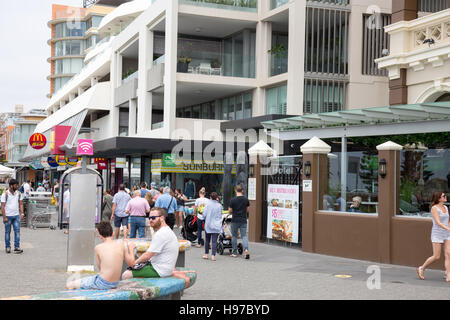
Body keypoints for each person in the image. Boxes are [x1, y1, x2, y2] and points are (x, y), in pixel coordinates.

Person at [66, 221, 135, 290]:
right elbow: (132, 264)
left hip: (102, 282)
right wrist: (131, 249)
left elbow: (100, 268)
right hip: (115, 282)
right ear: (113, 234)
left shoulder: (98, 248)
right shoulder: (122, 245)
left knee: (69, 285)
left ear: (101, 237)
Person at [121, 207, 183, 281]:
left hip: (160, 270)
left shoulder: (161, 234)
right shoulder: (167, 230)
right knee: (136, 268)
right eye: (149, 217)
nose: (150, 220)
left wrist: (133, 263)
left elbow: (147, 256)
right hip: (164, 267)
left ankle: (132, 292)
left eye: (153, 218)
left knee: (126, 275)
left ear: (162, 218)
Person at [416, 192, 450, 282]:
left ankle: (448, 274)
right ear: (439, 199)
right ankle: (421, 268)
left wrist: (449, 228)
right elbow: (438, 223)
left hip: (447, 233)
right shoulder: (434, 208)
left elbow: (448, 221)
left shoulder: (446, 207)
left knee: (448, 254)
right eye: (444, 196)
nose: (445, 197)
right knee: (436, 256)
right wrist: (448, 228)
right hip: (437, 233)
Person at [2, 179, 24, 254]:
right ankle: (8, 247)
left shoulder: (18, 193)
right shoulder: (5, 194)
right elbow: (2, 206)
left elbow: (21, 204)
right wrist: (4, 217)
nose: (17, 186)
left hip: (16, 216)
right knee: (7, 232)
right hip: (7, 216)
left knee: (17, 232)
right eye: (15, 185)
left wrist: (22, 213)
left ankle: (16, 247)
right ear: (11, 186)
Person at [228, 184, 250, 259]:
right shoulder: (246, 199)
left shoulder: (233, 200)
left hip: (235, 220)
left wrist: (232, 212)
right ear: (242, 191)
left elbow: (230, 211)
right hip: (243, 220)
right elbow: (248, 210)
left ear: (235, 191)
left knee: (234, 236)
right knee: (244, 236)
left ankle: (234, 253)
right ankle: (246, 250)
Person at [202, 192, 222, 261]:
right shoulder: (219, 205)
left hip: (208, 224)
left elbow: (204, 215)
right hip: (216, 225)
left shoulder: (207, 205)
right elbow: (220, 215)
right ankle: (213, 255)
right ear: (216, 198)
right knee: (214, 241)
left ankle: (206, 254)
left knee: (207, 240)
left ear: (210, 197)